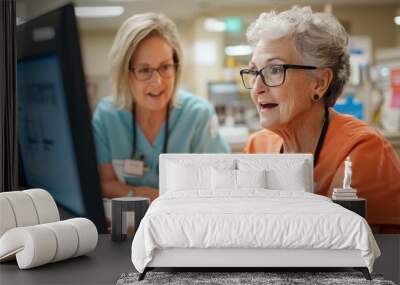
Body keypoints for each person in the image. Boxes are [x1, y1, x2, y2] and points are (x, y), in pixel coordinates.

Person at [241, 6, 400, 233]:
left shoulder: (362, 149)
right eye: (254, 72)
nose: (257, 88)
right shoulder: (258, 147)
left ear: (319, 83)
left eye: (274, 70)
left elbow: (353, 251)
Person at [93, 13, 229, 202]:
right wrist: (143, 195)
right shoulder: (107, 116)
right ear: (124, 74)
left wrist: (130, 192)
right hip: (129, 224)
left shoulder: (197, 115)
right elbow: (104, 182)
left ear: (176, 67)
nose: (157, 82)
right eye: (144, 70)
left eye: (165, 67)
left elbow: (221, 185)